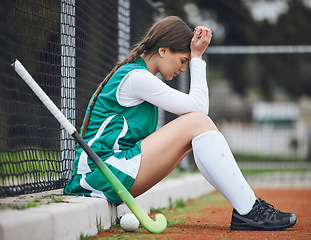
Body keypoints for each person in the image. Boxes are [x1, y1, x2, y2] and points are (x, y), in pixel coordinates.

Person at [64, 16, 297, 231]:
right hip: (100, 173)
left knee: (196, 130)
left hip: (112, 171)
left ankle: (247, 208)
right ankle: (249, 209)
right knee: (196, 121)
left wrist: (194, 57)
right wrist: (198, 58)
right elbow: (199, 110)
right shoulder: (137, 78)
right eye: (183, 60)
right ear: (163, 50)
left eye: (187, 62)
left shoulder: (140, 77)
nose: (183, 68)